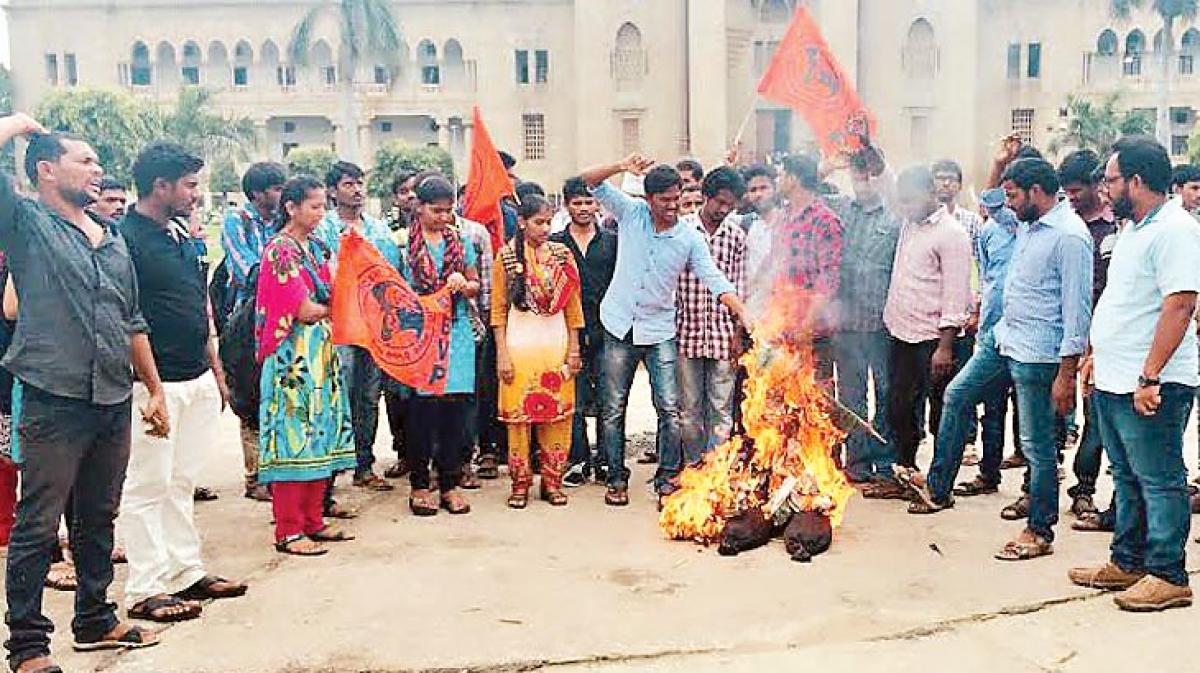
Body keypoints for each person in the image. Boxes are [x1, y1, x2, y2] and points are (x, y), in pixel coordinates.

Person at [0, 114, 162, 672]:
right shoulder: (26, 224)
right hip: (54, 397)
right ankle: (26, 646)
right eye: (84, 160)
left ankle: (94, 618)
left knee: (98, 515)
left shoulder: (112, 240)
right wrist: (16, 124)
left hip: (112, 396)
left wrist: (155, 390)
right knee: (39, 522)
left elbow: (131, 319)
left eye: (97, 162)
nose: (97, 171)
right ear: (46, 170)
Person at [118, 142, 248, 622]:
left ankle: (185, 572)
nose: (198, 193)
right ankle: (145, 588)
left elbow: (200, 306)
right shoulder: (124, 238)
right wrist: (152, 387)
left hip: (195, 376)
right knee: (148, 484)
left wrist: (215, 370)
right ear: (161, 185)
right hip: (155, 385)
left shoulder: (178, 233)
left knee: (182, 481)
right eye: (191, 185)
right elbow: (128, 318)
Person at [1071, 136, 1200, 612]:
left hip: (1151, 382)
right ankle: (1127, 561)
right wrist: (1095, 353)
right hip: (1114, 377)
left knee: (1160, 478)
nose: (1105, 189)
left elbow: (1180, 305)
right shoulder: (1133, 229)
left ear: (1137, 182)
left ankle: (1168, 574)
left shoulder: (1176, 230)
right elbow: (1123, 301)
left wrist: (1150, 376)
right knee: (1125, 476)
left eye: (1111, 180)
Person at [580, 155, 749, 506]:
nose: (673, 206)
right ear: (649, 198)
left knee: (670, 408)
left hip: (659, 330)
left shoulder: (689, 237)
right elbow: (590, 180)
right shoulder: (630, 213)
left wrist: (743, 312)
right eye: (665, 199)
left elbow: (714, 278)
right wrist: (622, 163)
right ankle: (616, 478)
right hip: (619, 325)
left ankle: (667, 478)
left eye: (677, 197)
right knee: (613, 408)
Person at [256, 175, 356, 557]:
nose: (320, 213)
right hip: (292, 355)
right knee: (293, 436)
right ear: (291, 208)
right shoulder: (281, 251)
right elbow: (305, 310)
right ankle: (288, 529)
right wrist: (339, 309)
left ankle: (313, 519)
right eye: (313, 206)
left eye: (322, 206)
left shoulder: (315, 247)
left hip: (320, 352)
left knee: (320, 434)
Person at [492, 195, 584, 508]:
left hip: (555, 347)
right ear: (522, 222)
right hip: (519, 349)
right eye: (538, 222)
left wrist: (574, 349)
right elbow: (498, 310)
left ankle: (552, 481)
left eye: (548, 222)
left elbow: (573, 307)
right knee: (519, 421)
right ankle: (520, 485)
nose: (545, 228)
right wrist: (502, 354)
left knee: (557, 418)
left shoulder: (562, 255)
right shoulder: (506, 257)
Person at [314, 161, 400, 493]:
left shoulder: (378, 229)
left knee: (368, 395)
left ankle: (365, 463)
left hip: (374, 324)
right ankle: (332, 469)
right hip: (339, 324)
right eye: (349, 184)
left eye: (360, 183)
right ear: (333, 190)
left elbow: (393, 272)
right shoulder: (323, 229)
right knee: (339, 392)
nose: (357, 190)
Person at [883, 167, 972, 473]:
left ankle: (939, 482)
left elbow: (956, 293)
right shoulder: (910, 223)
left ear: (932, 194)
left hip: (934, 341)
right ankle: (906, 470)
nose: (905, 208)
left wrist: (945, 347)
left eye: (911, 201)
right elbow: (883, 177)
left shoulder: (952, 234)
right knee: (899, 408)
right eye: (902, 202)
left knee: (940, 414)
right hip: (901, 334)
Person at [824, 147, 902, 492]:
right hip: (846, 323)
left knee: (886, 393)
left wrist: (879, 165)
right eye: (858, 176)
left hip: (884, 324)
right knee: (851, 397)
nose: (863, 182)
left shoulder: (897, 215)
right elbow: (806, 192)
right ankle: (857, 465)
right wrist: (826, 167)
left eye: (869, 175)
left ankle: (885, 465)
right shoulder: (839, 207)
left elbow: (893, 186)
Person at [402, 175, 481, 517]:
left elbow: (476, 284)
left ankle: (449, 483)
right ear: (418, 207)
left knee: (455, 413)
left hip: (457, 331)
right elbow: (388, 291)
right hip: (419, 336)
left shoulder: (459, 242)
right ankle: (420, 485)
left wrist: (464, 285)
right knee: (422, 413)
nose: (443, 217)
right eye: (436, 210)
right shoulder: (401, 245)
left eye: (449, 211)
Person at [1057, 150, 1119, 525]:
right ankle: (1042, 485)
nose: (1073, 198)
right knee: (1056, 415)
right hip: (1064, 335)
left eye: (1077, 190)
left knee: (1096, 419)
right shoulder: (1061, 223)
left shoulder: (1112, 229)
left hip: (1103, 339)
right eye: (1067, 191)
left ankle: (1084, 490)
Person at [221, 160, 287, 502]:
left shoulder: (283, 221)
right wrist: (283, 271)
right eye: (275, 188)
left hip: (282, 318)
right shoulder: (237, 221)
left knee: (278, 392)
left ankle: (280, 470)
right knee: (250, 396)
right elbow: (248, 270)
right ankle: (255, 475)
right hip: (248, 319)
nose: (280, 193)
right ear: (257, 193)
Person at [947, 189, 1020, 499]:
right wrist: (979, 314)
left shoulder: (1033, 230)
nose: (1005, 204)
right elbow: (987, 277)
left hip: (1028, 336)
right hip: (992, 332)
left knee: (1033, 415)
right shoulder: (989, 231)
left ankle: (1034, 486)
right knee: (991, 408)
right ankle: (988, 474)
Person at [676, 167, 747, 466]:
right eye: (719, 202)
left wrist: (738, 335)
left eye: (730, 204)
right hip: (685, 334)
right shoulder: (681, 231)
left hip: (722, 336)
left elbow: (740, 287)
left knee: (721, 409)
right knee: (689, 410)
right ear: (705, 196)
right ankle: (693, 471)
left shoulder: (736, 236)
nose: (723, 209)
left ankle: (717, 475)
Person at [554, 177, 617, 487]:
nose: (583, 208)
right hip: (567, 334)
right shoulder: (554, 244)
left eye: (588, 202)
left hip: (607, 331)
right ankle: (578, 460)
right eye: (576, 203)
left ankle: (607, 460)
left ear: (597, 204)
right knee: (574, 400)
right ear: (566, 206)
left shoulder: (612, 242)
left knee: (609, 400)